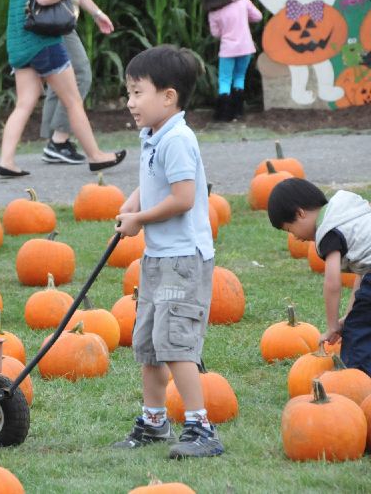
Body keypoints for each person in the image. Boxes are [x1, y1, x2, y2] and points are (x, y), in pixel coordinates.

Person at [112, 45, 223, 459]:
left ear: (168, 97)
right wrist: (133, 201)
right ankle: (154, 421)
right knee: (150, 344)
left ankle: (200, 426)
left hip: (182, 259)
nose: (130, 102)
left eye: (137, 92)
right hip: (159, 258)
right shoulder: (154, 135)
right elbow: (153, 180)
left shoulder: (178, 138)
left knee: (176, 344)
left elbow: (183, 197)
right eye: (129, 93)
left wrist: (140, 220)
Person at [0, 0, 125, 177]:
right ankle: (95, 156)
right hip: (43, 44)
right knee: (73, 101)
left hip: (19, 44)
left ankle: (6, 161)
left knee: (23, 104)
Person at [267, 179, 371, 375]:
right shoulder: (347, 212)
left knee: (358, 335)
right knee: (359, 321)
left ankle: (357, 379)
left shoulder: (328, 232)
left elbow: (332, 283)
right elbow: (363, 275)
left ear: (300, 213)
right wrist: (349, 316)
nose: (296, 237)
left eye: (290, 229)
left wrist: (332, 326)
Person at [40, 0, 115, 165]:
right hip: (52, 19)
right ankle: (59, 140)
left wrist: (97, 14)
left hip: (61, 19)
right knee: (80, 74)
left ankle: (54, 142)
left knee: (59, 78)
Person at [204, 0, 262, 121]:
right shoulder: (243, 1)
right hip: (246, 48)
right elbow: (258, 16)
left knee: (224, 80)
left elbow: (216, 34)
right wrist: (243, 20)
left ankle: (223, 114)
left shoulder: (213, 12)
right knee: (239, 77)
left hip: (228, 50)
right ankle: (238, 111)